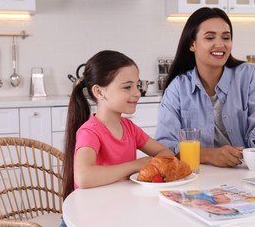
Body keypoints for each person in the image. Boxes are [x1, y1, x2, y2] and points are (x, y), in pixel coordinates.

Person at [155, 7, 255, 168]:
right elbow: (164, 148)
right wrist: (209, 154)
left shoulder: (252, 75)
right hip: (207, 179)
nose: (220, 44)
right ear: (192, 44)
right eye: (210, 38)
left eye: (226, 37)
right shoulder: (178, 88)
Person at [62, 50, 174, 201]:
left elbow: (165, 153)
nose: (137, 93)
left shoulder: (130, 128)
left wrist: (149, 166)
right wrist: (135, 165)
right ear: (99, 92)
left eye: (137, 85)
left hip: (121, 205)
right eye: (127, 87)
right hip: (92, 212)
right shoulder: (90, 132)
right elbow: (83, 177)